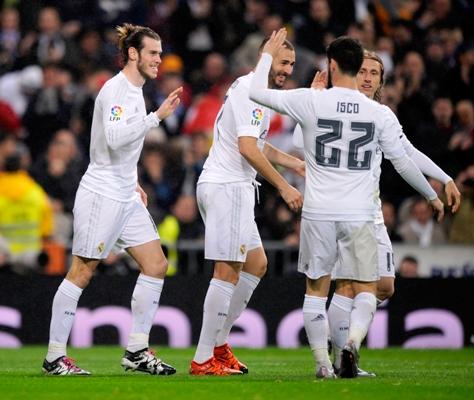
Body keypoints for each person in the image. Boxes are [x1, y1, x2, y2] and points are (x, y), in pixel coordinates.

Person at [249, 30, 444, 379]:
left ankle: (324, 365)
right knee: (366, 286)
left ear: (332, 65)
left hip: (318, 212)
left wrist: (267, 54)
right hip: (359, 214)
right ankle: (352, 342)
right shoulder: (378, 113)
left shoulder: (311, 100)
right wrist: (432, 194)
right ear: (359, 68)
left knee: (315, 288)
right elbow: (403, 161)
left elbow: (255, 92)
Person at [42, 23, 183, 376]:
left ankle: (136, 350)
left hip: (124, 192)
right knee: (82, 270)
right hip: (102, 193)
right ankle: (54, 356)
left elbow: (121, 148)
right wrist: (156, 118)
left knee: (156, 265)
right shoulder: (117, 89)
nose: (158, 59)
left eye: (160, 53)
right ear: (133, 53)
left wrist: (133, 180)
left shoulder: (135, 91)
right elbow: (115, 137)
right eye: (152, 52)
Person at [323, 51, 461, 377]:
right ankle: (342, 352)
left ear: (382, 81)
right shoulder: (334, 106)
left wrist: (444, 178)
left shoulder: (380, 114)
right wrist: (432, 194)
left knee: (382, 285)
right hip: (346, 210)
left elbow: (407, 153)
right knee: (351, 286)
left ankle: (340, 347)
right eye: (363, 71)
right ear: (350, 73)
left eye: (375, 73)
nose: (368, 77)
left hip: (366, 211)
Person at [189, 35, 304, 376]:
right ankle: (202, 358)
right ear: (265, 58)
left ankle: (220, 344)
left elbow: (260, 146)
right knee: (227, 270)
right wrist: (283, 186)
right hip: (228, 187)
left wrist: (294, 164)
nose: (287, 70)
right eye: (282, 62)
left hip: (230, 186)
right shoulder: (252, 88)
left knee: (256, 263)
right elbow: (247, 149)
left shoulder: (256, 92)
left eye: (291, 65)